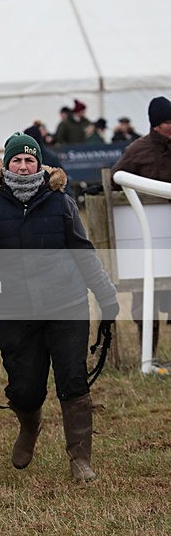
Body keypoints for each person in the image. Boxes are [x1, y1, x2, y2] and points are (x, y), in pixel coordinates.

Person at [0, 132, 119, 482]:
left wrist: (107, 298)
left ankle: (80, 458)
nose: (22, 165)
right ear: (5, 165)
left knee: (73, 380)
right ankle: (29, 427)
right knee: (24, 388)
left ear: (39, 163)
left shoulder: (59, 201)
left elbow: (83, 251)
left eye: (29, 159)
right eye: (16, 160)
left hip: (67, 303)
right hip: (14, 309)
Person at [111, 95, 171, 355]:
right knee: (144, 301)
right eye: (169, 121)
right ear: (157, 124)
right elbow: (115, 180)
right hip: (145, 239)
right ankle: (149, 353)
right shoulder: (138, 149)